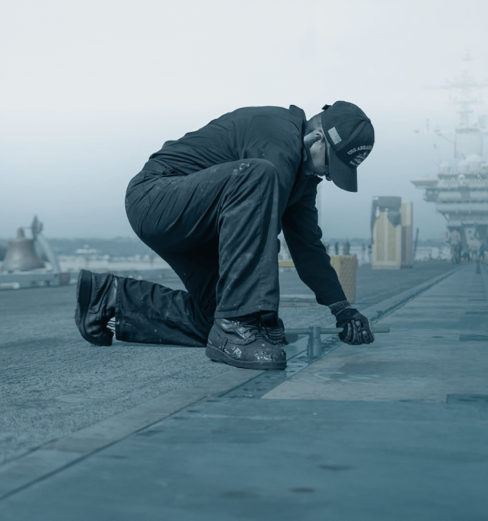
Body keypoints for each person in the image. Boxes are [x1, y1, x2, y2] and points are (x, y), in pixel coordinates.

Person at [74, 101, 376, 371]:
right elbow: (261, 227)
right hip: (156, 198)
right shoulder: (277, 137)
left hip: (201, 224)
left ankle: (109, 297)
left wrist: (342, 308)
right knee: (258, 175)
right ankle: (235, 325)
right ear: (317, 138)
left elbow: (307, 245)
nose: (328, 176)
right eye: (331, 165)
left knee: (214, 316)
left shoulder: (301, 177)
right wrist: (258, 317)